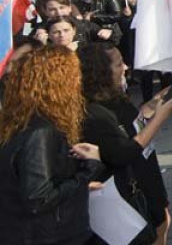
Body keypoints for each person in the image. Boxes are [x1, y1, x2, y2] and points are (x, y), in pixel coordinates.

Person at [0, 45, 103, 245]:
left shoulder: (17, 122)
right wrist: (86, 171)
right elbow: (38, 198)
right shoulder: (40, 131)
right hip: (51, 236)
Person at [79, 43, 172, 244]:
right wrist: (159, 119)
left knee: (163, 224)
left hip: (148, 178)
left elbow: (131, 125)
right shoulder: (94, 113)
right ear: (100, 73)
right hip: (130, 193)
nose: (125, 68)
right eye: (118, 64)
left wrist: (151, 107)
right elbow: (121, 152)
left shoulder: (116, 98)